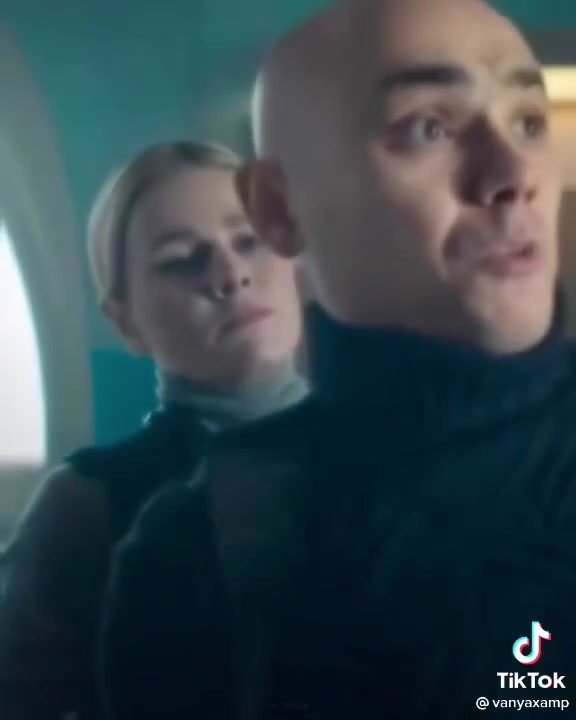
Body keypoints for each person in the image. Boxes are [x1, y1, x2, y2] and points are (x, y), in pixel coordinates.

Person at [102, 1, 576, 718]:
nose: (513, 174)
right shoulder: (198, 556)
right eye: (430, 127)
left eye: (529, 123)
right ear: (279, 208)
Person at [0, 140, 306, 720]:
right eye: (182, 259)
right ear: (126, 321)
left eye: (248, 241)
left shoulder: (396, 449)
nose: (231, 274)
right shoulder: (87, 504)